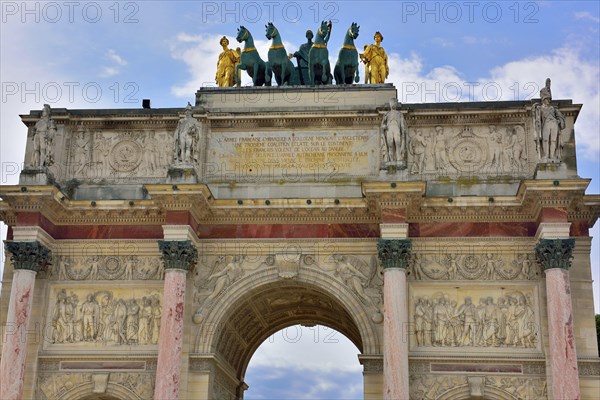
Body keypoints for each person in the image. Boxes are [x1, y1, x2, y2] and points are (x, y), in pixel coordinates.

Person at [533, 78, 566, 162]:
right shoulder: (540, 108)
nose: (548, 101)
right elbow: (537, 119)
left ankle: (552, 157)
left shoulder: (553, 108)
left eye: (549, 99)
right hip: (546, 124)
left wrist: (559, 121)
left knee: (553, 140)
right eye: (547, 99)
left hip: (554, 124)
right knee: (545, 140)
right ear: (543, 99)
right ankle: (546, 156)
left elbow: (561, 117)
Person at [381, 98, 407, 165]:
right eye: (392, 103)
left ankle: (398, 159)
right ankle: (390, 160)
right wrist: (384, 126)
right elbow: (383, 124)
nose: (393, 104)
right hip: (389, 129)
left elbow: (402, 125)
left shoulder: (399, 114)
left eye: (394, 103)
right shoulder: (387, 114)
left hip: (396, 129)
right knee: (390, 145)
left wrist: (403, 134)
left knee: (397, 143)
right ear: (390, 104)